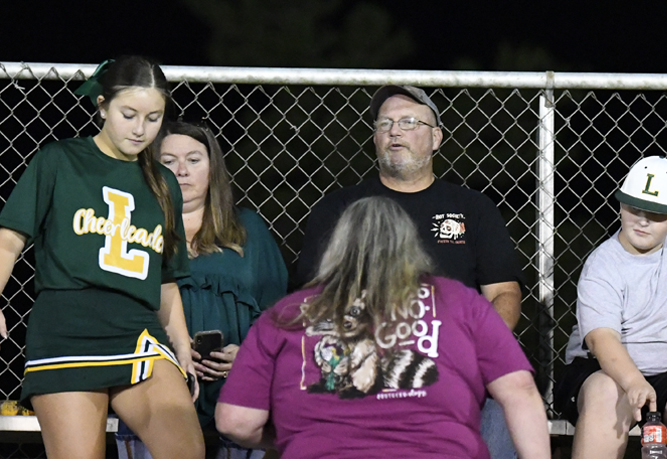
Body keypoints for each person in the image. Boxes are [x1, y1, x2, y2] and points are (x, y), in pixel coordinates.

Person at [215, 196, 549, 458]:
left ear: (335, 247)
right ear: (411, 245)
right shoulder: (461, 301)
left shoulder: (287, 313)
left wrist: (296, 436)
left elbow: (236, 421)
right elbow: (520, 391)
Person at [295, 85, 524, 457]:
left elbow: (504, 293)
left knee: (505, 399)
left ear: (436, 138)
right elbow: (313, 300)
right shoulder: (340, 208)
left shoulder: (472, 208)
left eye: (408, 122)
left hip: (458, 360)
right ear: (375, 138)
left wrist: (472, 352)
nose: (394, 131)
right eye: (384, 124)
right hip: (366, 361)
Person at [0, 57, 204, 458]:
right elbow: (9, 239)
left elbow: (164, 279)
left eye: (153, 118)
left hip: (138, 331)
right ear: (102, 106)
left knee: (186, 451)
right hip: (67, 328)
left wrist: (181, 344)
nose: (140, 129)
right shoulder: (59, 160)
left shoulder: (163, 183)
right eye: (129, 115)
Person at [115, 121, 289, 459]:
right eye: (169, 161)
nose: (181, 171)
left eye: (194, 160)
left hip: (237, 389)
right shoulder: (136, 230)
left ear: (212, 169)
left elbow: (278, 313)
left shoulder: (247, 229)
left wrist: (249, 355)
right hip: (156, 383)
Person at [556, 156, 667, 459]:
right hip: (608, 369)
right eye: (634, 208)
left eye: (656, 214)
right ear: (620, 204)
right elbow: (601, 338)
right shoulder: (603, 262)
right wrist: (632, 382)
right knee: (605, 397)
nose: (642, 220)